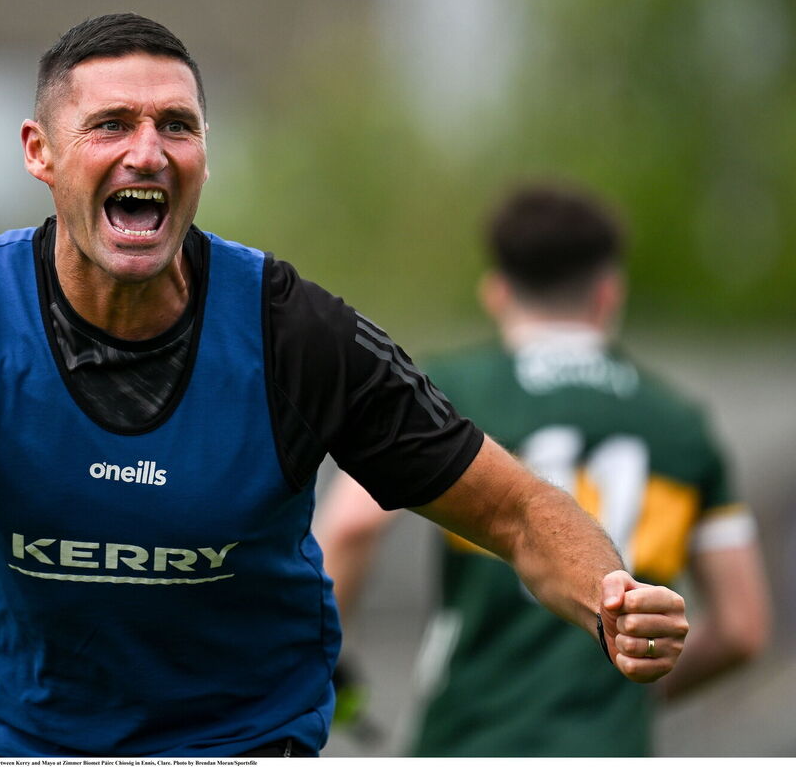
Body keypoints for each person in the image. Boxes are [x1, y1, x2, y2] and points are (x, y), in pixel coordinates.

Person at [0, 15, 689, 758]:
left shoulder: (295, 333)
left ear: (202, 157)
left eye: (176, 126)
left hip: (242, 746)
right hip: (14, 749)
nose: (148, 151)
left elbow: (516, 512)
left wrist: (609, 596)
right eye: (112, 124)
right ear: (40, 153)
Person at [318, 183, 771, 756]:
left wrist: (322, 664)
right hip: (607, 747)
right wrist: (629, 697)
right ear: (608, 292)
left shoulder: (449, 389)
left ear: (497, 292)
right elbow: (741, 629)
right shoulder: (679, 424)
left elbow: (351, 526)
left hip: (471, 738)